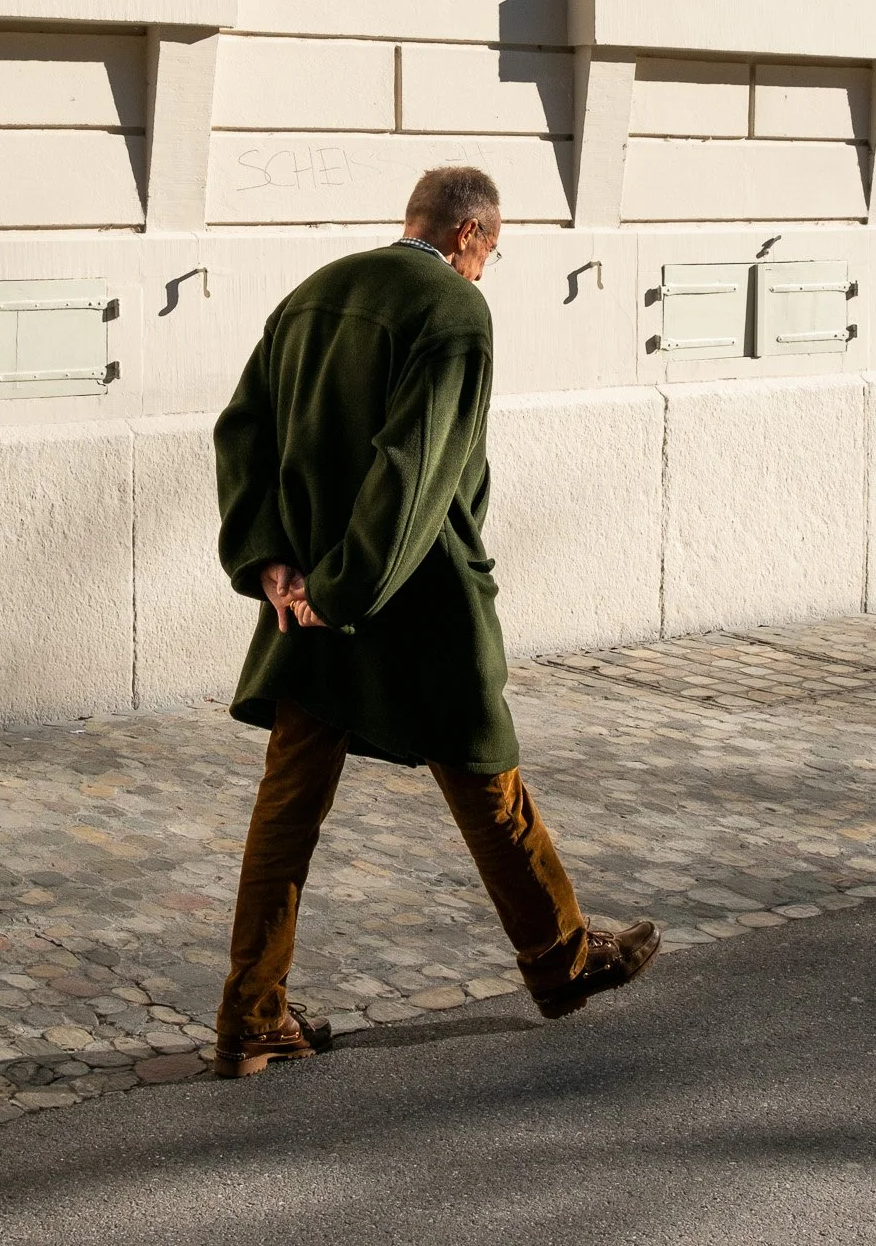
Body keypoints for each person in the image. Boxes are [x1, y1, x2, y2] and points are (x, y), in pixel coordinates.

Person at [211, 164, 658, 1079]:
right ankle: (563, 962)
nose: (487, 268)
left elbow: (241, 429)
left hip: (310, 606)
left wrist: (276, 566)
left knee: (288, 807)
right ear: (468, 236)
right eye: (491, 251)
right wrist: (341, 588)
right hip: (412, 598)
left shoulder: (314, 293)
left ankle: (253, 1017)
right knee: (485, 768)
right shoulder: (454, 309)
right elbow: (414, 467)